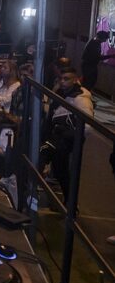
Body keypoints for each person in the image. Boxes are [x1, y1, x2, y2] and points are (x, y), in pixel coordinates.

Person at [40, 67, 94, 198]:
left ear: (75, 79)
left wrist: (67, 133)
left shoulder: (81, 98)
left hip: (68, 142)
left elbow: (87, 127)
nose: (63, 82)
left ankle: (70, 204)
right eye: (61, 79)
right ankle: (68, 201)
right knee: (60, 172)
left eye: (67, 79)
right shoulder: (61, 93)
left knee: (64, 173)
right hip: (57, 139)